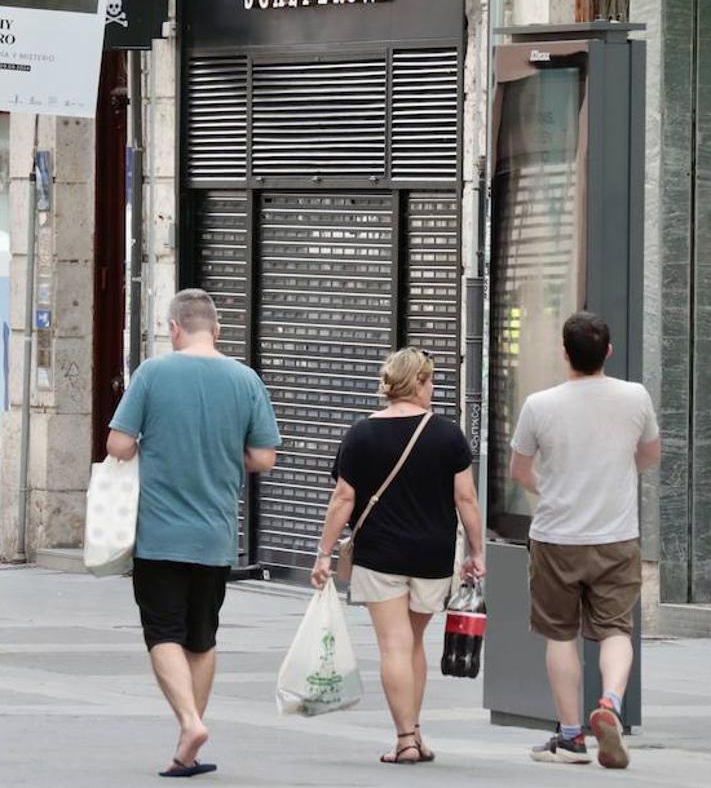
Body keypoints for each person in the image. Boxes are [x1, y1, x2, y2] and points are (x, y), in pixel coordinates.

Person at [106, 289, 280, 778]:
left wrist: (152, 445)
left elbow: (118, 444)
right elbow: (264, 458)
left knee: (162, 631)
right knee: (201, 638)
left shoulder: (154, 373)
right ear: (217, 330)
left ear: (174, 328)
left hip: (160, 533)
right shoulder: (245, 379)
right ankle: (190, 748)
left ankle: (188, 721)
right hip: (215, 536)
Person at [311, 347, 486, 765]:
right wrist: (477, 552)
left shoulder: (361, 434)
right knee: (413, 644)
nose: (433, 388)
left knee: (394, 645)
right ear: (420, 383)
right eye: (431, 381)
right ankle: (416, 733)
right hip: (432, 557)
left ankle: (405, 738)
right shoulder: (447, 435)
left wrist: (323, 555)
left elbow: (343, 498)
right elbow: (466, 498)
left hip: (380, 556)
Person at [510, 311, 660, 769]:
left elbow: (520, 471)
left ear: (564, 353)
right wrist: (611, 479)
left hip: (557, 536)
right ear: (608, 352)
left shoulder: (539, 404)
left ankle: (572, 736)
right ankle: (610, 702)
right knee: (616, 628)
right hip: (616, 535)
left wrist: (554, 488)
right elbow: (650, 455)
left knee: (560, 635)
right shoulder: (635, 397)